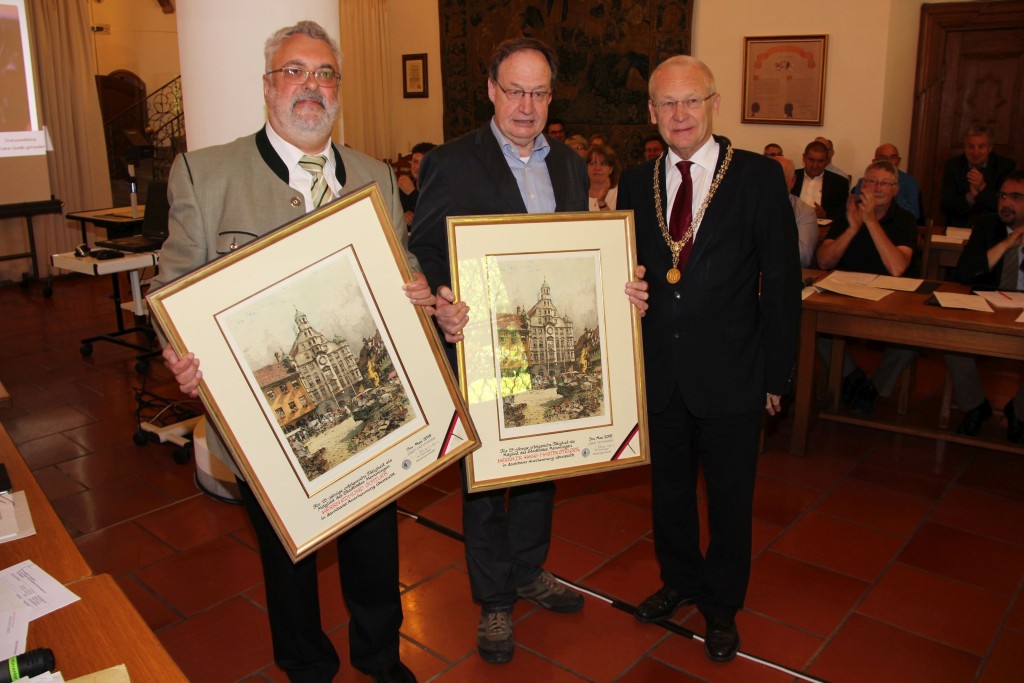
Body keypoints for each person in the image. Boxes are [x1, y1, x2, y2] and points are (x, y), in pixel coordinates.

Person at [154, 21, 432, 683]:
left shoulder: (371, 174)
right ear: (267, 87)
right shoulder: (205, 173)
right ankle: (307, 666)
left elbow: (402, 263)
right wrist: (178, 350)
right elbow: (170, 286)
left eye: (325, 73)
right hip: (263, 422)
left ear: (339, 88)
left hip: (373, 413)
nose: (312, 86)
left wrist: (419, 288)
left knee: (374, 544)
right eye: (295, 71)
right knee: (287, 555)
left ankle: (381, 656)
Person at [408, 37, 588, 665]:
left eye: (539, 92)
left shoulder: (568, 165)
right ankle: (493, 600)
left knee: (542, 460)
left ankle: (529, 568)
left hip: (546, 343)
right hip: (483, 346)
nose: (526, 104)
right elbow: (426, 248)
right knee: (485, 479)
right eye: (515, 90)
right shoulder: (453, 163)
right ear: (490, 89)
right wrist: (441, 297)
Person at [619, 55, 801, 663]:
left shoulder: (756, 177)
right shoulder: (633, 181)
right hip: (661, 370)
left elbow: (780, 282)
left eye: (691, 101)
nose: (679, 114)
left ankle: (722, 605)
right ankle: (679, 580)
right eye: (667, 104)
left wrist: (777, 375)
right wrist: (629, 290)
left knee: (728, 498)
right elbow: (632, 272)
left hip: (733, 371)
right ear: (651, 112)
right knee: (668, 491)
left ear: (713, 104)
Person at [816, 161, 919, 415]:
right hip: (847, 294)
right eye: (871, 181)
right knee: (810, 322)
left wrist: (871, 222)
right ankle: (854, 378)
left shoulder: (905, 220)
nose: (877, 188)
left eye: (884, 183)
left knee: (912, 340)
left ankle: (872, 387)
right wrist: (853, 228)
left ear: (895, 189)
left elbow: (897, 267)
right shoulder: (848, 212)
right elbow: (824, 261)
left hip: (890, 299)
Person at [943, 172, 1024, 443]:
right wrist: (1006, 245)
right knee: (952, 338)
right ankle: (975, 405)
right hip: (987, 305)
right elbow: (965, 273)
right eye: (1002, 196)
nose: (1006, 203)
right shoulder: (987, 225)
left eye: (1016, 197)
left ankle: (1020, 412)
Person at [940, 125, 1016, 227]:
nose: (975, 152)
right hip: (959, 227)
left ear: (990, 148)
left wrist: (982, 188)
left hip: (994, 227)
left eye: (981, 147)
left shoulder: (1005, 167)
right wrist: (970, 197)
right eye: (971, 146)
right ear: (965, 147)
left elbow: (1006, 205)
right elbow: (946, 205)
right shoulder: (953, 166)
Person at [854, 143, 922, 221]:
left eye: (893, 157)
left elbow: (914, 214)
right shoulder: (864, 182)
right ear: (875, 161)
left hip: (898, 225)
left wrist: (892, 191)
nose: (888, 161)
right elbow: (858, 209)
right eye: (883, 157)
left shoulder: (910, 182)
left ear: (898, 161)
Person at [773, 155, 818, 267]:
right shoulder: (745, 205)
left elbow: (803, 258)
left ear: (792, 182)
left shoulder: (804, 212)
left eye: (777, 179)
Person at [793, 139, 850, 223]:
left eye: (820, 161)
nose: (815, 165)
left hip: (823, 228)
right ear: (804, 158)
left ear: (827, 161)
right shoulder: (792, 177)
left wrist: (825, 213)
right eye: (811, 160)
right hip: (792, 224)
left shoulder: (839, 182)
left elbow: (844, 212)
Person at [398, 141, 435, 231]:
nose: (418, 167)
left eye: (423, 163)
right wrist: (402, 217)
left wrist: (412, 193)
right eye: (415, 162)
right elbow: (392, 213)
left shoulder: (437, 186)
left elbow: (431, 217)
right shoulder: (404, 184)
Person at [587, 143, 620, 211]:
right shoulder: (577, 193)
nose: (597, 168)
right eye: (592, 163)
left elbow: (615, 221)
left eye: (603, 164)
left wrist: (601, 202)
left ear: (611, 169)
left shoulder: (619, 193)